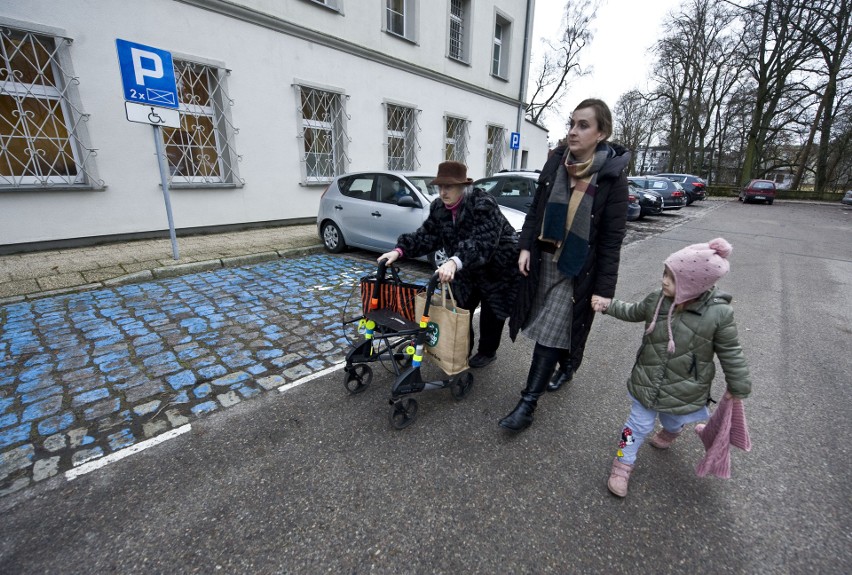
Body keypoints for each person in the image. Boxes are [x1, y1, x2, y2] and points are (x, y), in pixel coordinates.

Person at [501, 99, 630, 431]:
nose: (573, 131)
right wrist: (526, 246)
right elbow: (536, 210)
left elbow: (611, 241)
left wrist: (604, 292)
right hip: (545, 258)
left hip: (577, 268)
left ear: (602, 133)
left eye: (583, 125)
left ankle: (527, 405)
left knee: (552, 329)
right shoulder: (556, 162)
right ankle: (568, 365)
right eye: (571, 123)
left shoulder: (613, 178)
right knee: (550, 326)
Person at [596, 237, 752, 497]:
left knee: (673, 420)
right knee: (634, 427)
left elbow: (731, 352)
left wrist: (738, 386)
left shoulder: (719, 315)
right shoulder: (658, 299)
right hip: (646, 381)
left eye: (672, 277)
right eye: (664, 273)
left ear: (693, 284)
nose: (663, 281)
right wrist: (609, 306)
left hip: (684, 389)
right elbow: (634, 311)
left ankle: (672, 431)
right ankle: (622, 463)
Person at [378, 161, 519, 368]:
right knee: (458, 310)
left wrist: (454, 261)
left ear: (463, 186)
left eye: (449, 187)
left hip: (498, 267)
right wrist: (399, 250)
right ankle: (461, 351)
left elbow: (482, 242)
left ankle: (488, 352)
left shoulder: (483, 204)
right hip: (466, 268)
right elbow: (426, 236)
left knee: (492, 314)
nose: (443, 192)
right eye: (440, 186)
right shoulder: (438, 208)